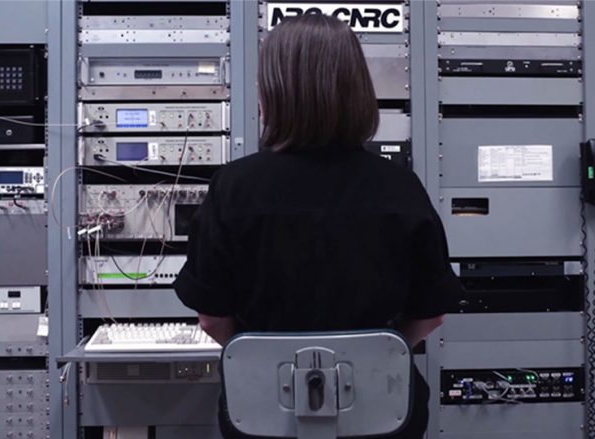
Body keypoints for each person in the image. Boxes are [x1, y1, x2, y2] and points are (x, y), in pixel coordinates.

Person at [174, 13, 463, 439]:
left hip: (262, 419)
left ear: (272, 91)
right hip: (383, 420)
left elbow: (212, 321)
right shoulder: (400, 187)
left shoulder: (233, 188)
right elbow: (431, 313)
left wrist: (265, 362)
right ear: (357, 91)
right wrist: (373, 359)